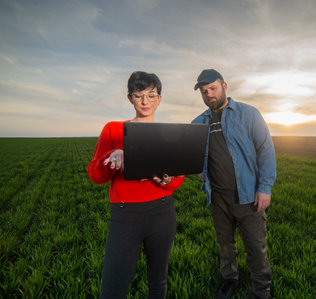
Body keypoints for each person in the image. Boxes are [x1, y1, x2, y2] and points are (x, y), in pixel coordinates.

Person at [88, 71, 184, 299]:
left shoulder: (167, 135)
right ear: (129, 98)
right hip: (125, 215)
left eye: (151, 95)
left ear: (159, 98)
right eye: (138, 95)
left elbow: (177, 179)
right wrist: (112, 158)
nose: (145, 101)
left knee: (158, 282)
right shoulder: (112, 129)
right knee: (113, 287)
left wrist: (168, 179)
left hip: (162, 213)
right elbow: (95, 174)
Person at [192, 69, 276, 299]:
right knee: (225, 246)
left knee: (256, 248)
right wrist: (199, 169)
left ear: (224, 85)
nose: (209, 94)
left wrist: (264, 187)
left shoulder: (248, 114)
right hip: (218, 199)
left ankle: (261, 291)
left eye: (213, 88)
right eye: (204, 91)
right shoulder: (198, 123)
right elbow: (193, 156)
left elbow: (266, 150)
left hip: (248, 196)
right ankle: (230, 280)